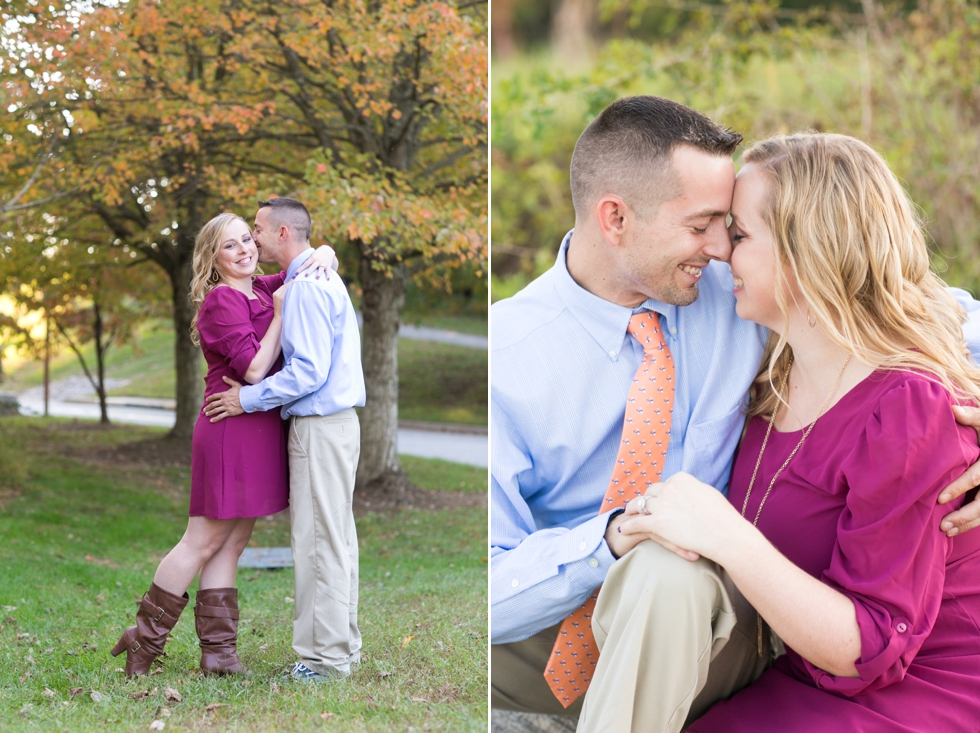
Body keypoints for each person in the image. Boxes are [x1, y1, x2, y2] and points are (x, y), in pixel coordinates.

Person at [490, 96, 980, 732]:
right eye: (702, 225)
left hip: (726, 616)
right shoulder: (511, 354)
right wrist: (611, 538)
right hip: (573, 607)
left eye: (733, 227)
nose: (719, 247)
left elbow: (905, 297)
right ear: (615, 218)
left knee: (667, 569)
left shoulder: (743, 292)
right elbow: (481, 581)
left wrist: (961, 408)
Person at [111, 212, 336, 676]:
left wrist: (326, 254)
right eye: (230, 246)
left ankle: (219, 655)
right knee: (202, 540)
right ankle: (145, 639)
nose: (244, 250)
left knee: (233, 543)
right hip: (228, 427)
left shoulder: (258, 285)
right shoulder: (221, 301)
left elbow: (302, 264)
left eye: (245, 241)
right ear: (213, 258)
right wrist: (278, 314)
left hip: (257, 427)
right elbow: (253, 369)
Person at [203, 197, 365, 684]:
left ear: (281, 235)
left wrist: (247, 399)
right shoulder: (306, 277)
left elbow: (308, 372)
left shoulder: (308, 288)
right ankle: (342, 650)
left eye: (255, 230)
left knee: (319, 544)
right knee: (335, 541)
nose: (251, 239)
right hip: (335, 426)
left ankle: (323, 661)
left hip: (320, 426)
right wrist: (328, 251)